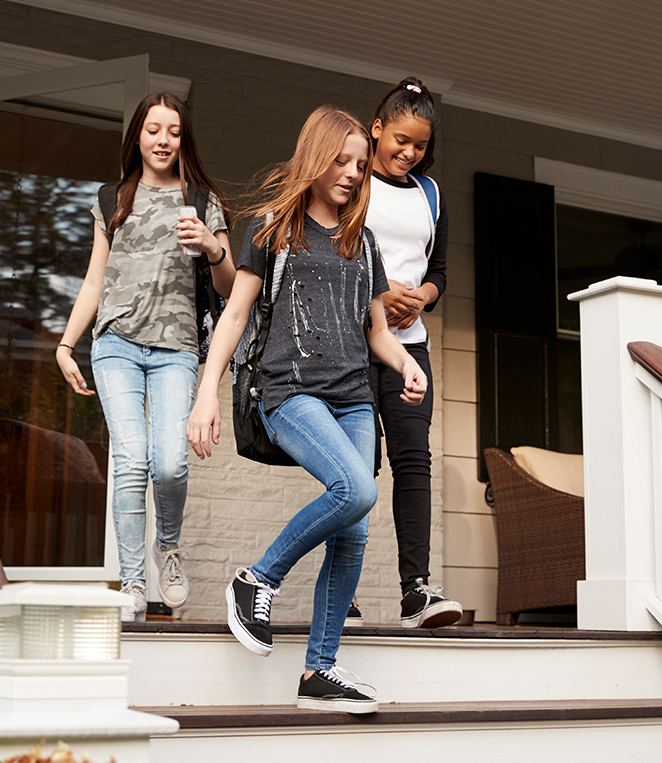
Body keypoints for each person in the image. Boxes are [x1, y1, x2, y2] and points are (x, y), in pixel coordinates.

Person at [186, 106, 427, 713]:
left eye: (357, 164)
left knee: (354, 532)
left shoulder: (361, 240)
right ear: (315, 159)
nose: (351, 173)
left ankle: (319, 671)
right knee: (356, 490)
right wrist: (206, 392)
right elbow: (235, 315)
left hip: (353, 397)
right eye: (339, 161)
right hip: (289, 392)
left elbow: (376, 332)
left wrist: (406, 364)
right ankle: (258, 578)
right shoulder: (272, 228)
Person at [56, 92, 235, 622]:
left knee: (171, 463)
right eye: (153, 129)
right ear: (137, 136)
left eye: (173, 131)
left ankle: (169, 547)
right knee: (131, 461)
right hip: (115, 346)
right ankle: (133, 583)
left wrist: (212, 245)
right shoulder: (114, 198)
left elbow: (229, 287)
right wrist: (67, 343)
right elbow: (95, 280)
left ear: (184, 140)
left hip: (176, 348)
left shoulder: (203, 203)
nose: (163, 140)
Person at [364, 77, 463, 628]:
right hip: (354, 348)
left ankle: (416, 592)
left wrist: (421, 296)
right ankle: (345, 593)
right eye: (400, 139)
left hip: (411, 348)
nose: (408, 152)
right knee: (354, 470)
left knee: (412, 461)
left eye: (420, 145)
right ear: (377, 129)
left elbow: (440, 270)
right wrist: (380, 293)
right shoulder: (355, 184)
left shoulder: (431, 195)